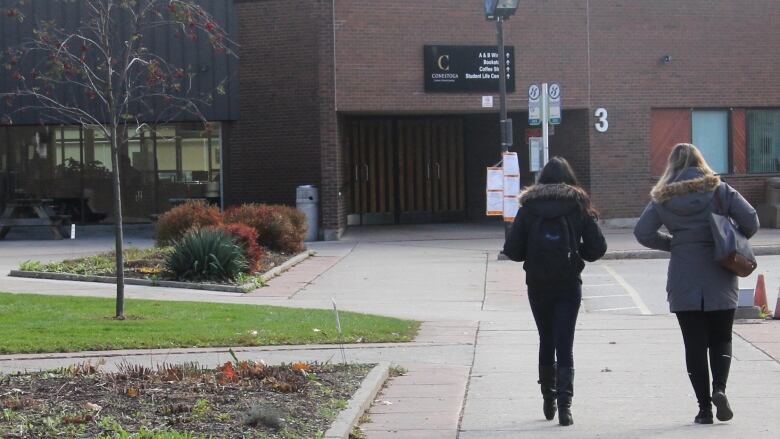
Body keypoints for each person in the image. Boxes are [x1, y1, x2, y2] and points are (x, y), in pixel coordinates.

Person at [634, 143, 759, 425]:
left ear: (672, 166)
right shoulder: (719, 189)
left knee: (694, 345)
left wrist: (673, 244)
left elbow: (642, 232)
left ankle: (703, 410)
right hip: (720, 272)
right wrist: (730, 238)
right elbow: (751, 219)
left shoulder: (662, 197)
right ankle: (720, 389)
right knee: (722, 337)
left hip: (683, 275)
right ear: (701, 161)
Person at [503, 156, 607, 426]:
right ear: (569, 178)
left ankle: (547, 396)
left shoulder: (528, 207)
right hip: (568, 282)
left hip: (538, 282)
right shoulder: (578, 204)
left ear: (541, 180)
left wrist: (533, 253)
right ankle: (565, 406)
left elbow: (513, 251)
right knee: (565, 342)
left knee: (545, 339)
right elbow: (598, 248)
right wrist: (577, 253)